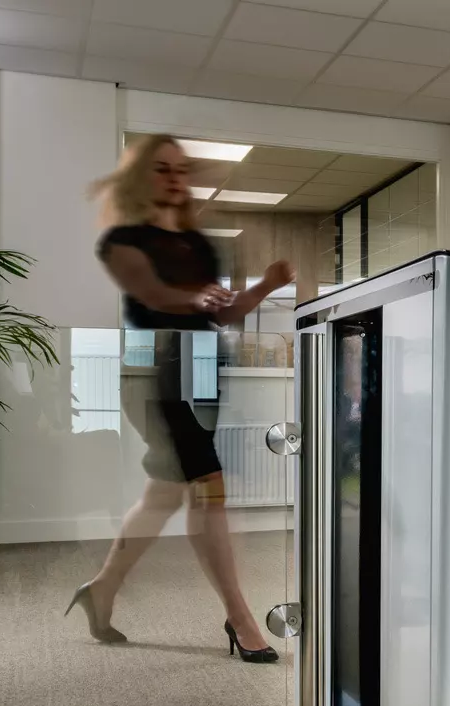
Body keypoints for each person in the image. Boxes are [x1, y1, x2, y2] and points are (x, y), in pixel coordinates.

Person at [66, 134, 294, 663]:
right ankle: (240, 618)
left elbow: (223, 312)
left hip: (202, 376)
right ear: (140, 176)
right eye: (162, 168)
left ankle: (102, 589)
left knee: (164, 495)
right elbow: (151, 293)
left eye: (181, 169)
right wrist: (194, 296)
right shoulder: (122, 240)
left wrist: (265, 287)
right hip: (153, 378)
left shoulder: (198, 244)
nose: (174, 178)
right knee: (209, 488)